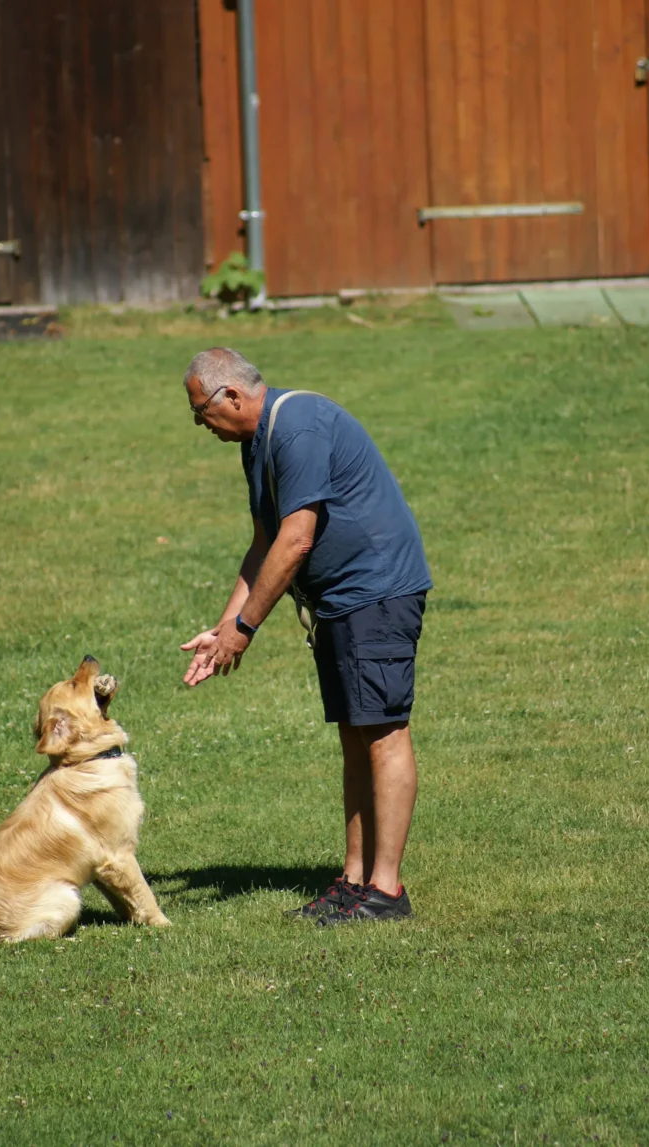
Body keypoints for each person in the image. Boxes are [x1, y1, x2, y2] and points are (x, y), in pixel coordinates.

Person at [180, 348, 431, 925]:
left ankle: (386, 892)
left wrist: (245, 631)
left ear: (233, 397)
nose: (202, 425)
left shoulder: (299, 427)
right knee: (353, 734)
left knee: (383, 733)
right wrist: (224, 629)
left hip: (376, 592)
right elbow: (263, 541)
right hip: (340, 602)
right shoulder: (258, 442)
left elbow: (297, 540)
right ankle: (353, 879)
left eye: (201, 413)